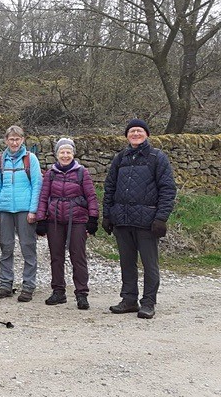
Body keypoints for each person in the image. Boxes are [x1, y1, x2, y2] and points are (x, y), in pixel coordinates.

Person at [103, 119, 176, 319]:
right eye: (132, 131)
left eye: (139, 131)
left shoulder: (157, 157)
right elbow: (109, 187)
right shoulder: (120, 158)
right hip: (123, 221)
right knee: (127, 263)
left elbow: (168, 189)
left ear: (147, 135)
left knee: (150, 265)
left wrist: (161, 218)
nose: (135, 134)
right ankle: (128, 300)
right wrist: (107, 214)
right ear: (127, 135)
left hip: (147, 222)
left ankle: (148, 303)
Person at [35, 138, 99, 310]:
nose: (65, 155)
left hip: (77, 219)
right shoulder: (50, 174)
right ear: (56, 155)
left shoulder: (81, 172)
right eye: (62, 152)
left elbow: (91, 196)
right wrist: (41, 219)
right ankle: (58, 291)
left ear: (73, 153)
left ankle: (81, 294)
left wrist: (93, 219)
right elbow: (43, 197)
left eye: (68, 152)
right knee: (56, 257)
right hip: (54, 220)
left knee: (78, 257)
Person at [0, 125, 43, 302]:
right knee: (6, 247)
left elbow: (37, 185)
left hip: (24, 209)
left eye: (17, 139)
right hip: (4, 209)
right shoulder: (0, 161)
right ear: (6, 140)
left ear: (23, 140)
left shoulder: (30, 159)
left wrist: (33, 210)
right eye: (11, 139)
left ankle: (28, 285)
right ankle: (6, 284)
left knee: (28, 247)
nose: (14, 142)